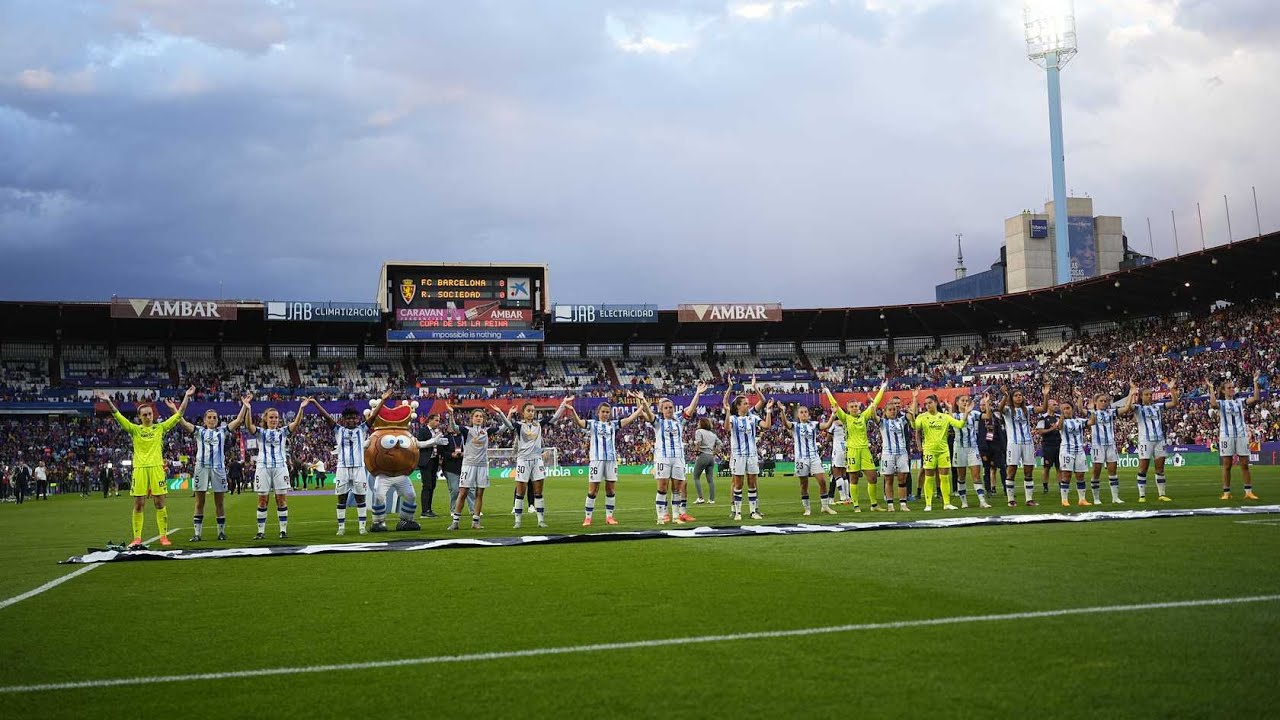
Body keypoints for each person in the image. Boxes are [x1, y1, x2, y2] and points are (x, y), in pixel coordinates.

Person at [97, 387, 194, 549]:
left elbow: (179, 415)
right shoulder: (134, 430)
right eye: (144, 415)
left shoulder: (159, 428)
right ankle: (137, 538)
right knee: (139, 504)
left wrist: (186, 396)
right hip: (140, 469)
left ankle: (163, 536)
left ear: (153, 415)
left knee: (159, 503)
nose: (148, 416)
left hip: (156, 468)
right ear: (139, 417)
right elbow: (118, 416)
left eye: (150, 414)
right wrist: (108, 401)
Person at [311, 390, 391, 536]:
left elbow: (373, 416)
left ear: (357, 419)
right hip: (342, 468)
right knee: (341, 498)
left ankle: (362, 528)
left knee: (360, 498)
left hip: (359, 468)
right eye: (348, 418)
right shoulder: (338, 430)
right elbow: (326, 416)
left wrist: (383, 400)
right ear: (344, 419)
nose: (351, 420)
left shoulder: (362, 429)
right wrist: (315, 403)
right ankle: (341, 528)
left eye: (353, 418)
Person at [165, 401, 247, 542]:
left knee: (219, 502)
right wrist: (174, 409)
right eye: (209, 417)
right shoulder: (199, 431)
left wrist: (245, 405)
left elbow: (239, 420)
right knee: (199, 502)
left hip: (218, 469)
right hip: (201, 468)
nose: (212, 420)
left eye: (214, 417)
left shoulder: (223, 431)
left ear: (217, 419)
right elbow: (183, 423)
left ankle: (221, 533)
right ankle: (197, 534)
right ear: (204, 420)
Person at [563, 393, 648, 526]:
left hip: (611, 460)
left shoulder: (613, 425)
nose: (605, 414)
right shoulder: (592, 424)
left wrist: (641, 407)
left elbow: (630, 418)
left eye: (607, 412)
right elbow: (579, 423)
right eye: (603, 411)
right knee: (593, 490)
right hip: (596, 460)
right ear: (598, 412)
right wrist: (573, 411)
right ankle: (588, 518)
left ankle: (609, 517)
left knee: (611, 490)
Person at [242, 395, 309, 540]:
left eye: (276, 418)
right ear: (266, 419)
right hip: (263, 467)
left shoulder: (283, 432)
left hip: (280, 467)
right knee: (262, 500)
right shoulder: (260, 432)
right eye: (271, 417)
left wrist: (301, 408)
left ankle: (283, 531)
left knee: (281, 499)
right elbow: (248, 426)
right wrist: (248, 409)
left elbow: (296, 423)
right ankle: (260, 532)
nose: (274, 420)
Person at [642, 383, 708, 525]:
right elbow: (648, 413)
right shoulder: (658, 422)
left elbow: (691, 408)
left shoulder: (679, 419)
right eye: (665, 408)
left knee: (677, 488)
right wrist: (643, 402)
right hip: (662, 458)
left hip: (678, 457)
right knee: (662, 487)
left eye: (670, 407)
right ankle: (661, 516)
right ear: (661, 410)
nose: (669, 410)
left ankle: (676, 516)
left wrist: (698, 393)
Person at [502, 398, 572, 529]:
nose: (531, 413)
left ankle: (540, 520)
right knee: (520, 492)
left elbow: (555, 417)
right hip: (523, 461)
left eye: (533, 411)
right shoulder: (519, 426)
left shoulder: (539, 424)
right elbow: (507, 424)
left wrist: (563, 404)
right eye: (528, 410)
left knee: (538, 492)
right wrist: (502, 413)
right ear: (523, 413)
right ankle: (517, 521)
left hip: (537, 461)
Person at [823, 381, 887, 510]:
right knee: (853, 478)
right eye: (851, 406)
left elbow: (875, 404)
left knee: (873, 476)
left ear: (859, 407)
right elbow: (834, 404)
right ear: (848, 408)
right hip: (852, 450)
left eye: (856, 406)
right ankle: (856, 505)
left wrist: (883, 388)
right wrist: (828, 391)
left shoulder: (864, 416)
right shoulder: (845, 418)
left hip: (864, 450)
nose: (854, 408)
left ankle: (874, 504)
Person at [445, 403, 508, 531]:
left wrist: (500, 412)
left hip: (482, 466)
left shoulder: (487, 431)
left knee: (479, 494)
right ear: (472, 418)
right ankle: (455, 522)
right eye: (476, 416)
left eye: (481, 416)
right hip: (468, 465)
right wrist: (451, 413)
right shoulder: (466, 430)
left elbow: (505, 427)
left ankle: (475, 522)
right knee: (463, 493)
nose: (479, 418)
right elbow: (453, 427)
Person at [722, 376, 773, 522]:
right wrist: (730, 388)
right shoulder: (733, 418)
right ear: (738, 406)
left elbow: (767, 426)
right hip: (738, 454)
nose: (747, 405)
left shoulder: (752, 417)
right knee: (737, 483)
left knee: (752, 482)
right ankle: (736, 511)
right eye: (745, 403)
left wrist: (768, 411)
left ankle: (753, 511)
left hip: (752, 454)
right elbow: (726, 428)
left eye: (748, 403)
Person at [1119, 378, 1179, 502]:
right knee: (1143, 468)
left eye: (1150, 394)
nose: (1149, 396)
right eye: (1146, 394)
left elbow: (1174, 403)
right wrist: (1131, 392)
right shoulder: (1138, 408)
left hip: (1159, 440)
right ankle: (1142, 496)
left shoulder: (1157, 406)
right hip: (1145, 441)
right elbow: (1128, 407)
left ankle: (1161, 494)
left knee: (1160, 468)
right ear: (1141, 396)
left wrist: (1171, 389)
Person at [778, 401, 839, 517]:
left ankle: (825, 506)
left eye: (806, 412)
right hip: (801, 459)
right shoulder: (795, 426)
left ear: (808, 414)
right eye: (801, 412)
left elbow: (826, 426)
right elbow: (785, 424)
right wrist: (782, 411)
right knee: (803, 484)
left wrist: (833, 414)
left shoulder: (814, 424)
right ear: (798, 415)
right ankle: (807, 508)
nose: (804, 414)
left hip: (814, 457)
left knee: (822, 481)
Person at [1208, 375, 1263, 501]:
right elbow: (1213, 403)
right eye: (1229, 388)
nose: (1232, 389)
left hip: (1241, 435)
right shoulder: (1221, 403)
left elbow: (1255, 398)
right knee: (1227, 465)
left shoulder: (1240, 401)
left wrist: (1255, 382)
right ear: (1223, 391)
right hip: (1226, 436)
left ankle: (1248, 491)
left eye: (1233, 387)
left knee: (1244, 464)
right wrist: (1211, 388)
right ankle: (1226, 492)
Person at [997, 382, 1047, 507]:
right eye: (1016, 395)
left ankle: (1029, 499)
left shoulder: (1027, 409)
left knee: (1028, 471)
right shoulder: (1008, 410)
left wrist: (1045, 395)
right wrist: (1005, 396)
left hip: (1028, 443)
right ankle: (1010, 500)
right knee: (1012, 470)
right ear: (1012, 398)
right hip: (1013, 443)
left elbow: (1043, 408)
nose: (1019, 397)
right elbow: (999, 409)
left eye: (1020, 395)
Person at [1044, 394, 1091, 507]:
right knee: (1066, 475)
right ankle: (1064, 500)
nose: (1066, 410)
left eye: (1068, 408)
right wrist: (1061, 416)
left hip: (1079, 451)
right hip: (1066, 451)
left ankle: (1082, 500)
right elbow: (1059, 427)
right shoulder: (1061, 421)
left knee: (1080, 475)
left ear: (1072, 409)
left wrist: (1092, 410)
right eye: (1064, 409)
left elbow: (1091, 422)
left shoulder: (1079, 421)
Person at [951, 395, 990, 509]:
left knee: (976, 475)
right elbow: (958, 425)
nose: (965, 402)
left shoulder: (974, 414)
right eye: (962, 400)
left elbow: (988, 416)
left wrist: (986, 403)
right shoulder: (954, 416)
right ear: (957, 403)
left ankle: (982, 501)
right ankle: (964, 502)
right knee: (961, 476)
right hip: (959, 448)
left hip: (973, 447)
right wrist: (966, 413)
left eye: (967, 400)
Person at [879, 393, 916, 512]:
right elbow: (872, 414)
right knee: (889, 479)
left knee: (902, 479)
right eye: (890, 409)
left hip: (902, 453)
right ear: (885, 411)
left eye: (894, 409)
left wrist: (914, 398)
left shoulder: (901, 420)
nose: (893, 411)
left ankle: (903, 504)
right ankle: (890, 505)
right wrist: (873, 405)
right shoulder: (882, 423)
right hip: (888, 454)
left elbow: (911, 414)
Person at [1086, 391, 1123, 504]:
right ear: (1096, 403)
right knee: (1096, 471)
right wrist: (1080, 398)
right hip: (1098, 445)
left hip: (1111, 444)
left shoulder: (1111, 413)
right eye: (1101, 401)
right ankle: (1096, 499)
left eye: (1105, 401)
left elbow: (1125, 409)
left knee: (1113, 471)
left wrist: (1131, 393)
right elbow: (1079, 408)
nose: (1103, 403)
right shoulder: (1092, 413)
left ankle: (1115, 498)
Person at [414, 414, 444, 518]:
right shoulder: (423, 431)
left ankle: (429, 509)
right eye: (436, 420)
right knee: (427, 486)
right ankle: (424, 510)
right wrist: (434, 440)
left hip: (434, 461)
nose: (438, 422)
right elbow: (420, 444)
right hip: (426, 461)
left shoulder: (436, 432)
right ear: (430, 420)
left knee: (432, 486)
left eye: (439, 420)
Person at [976, 395, 1006, 496]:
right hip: (985, 447)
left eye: (984, 404)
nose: (982, 407)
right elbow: (979, 435)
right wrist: (982, 450)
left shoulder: (996, 416)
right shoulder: (978, 417)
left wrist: (1003, 446)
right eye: (980, 405)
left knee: (1002, 468)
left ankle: (1006, 489)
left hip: (996, 446)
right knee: (986, 469)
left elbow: (1000, 432)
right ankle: (988, 490)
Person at [691, 418, 720, 504]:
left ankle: (700, 498)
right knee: (710, 479)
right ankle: (712, 499)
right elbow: (720, 444)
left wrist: (696, 452)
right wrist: (715, 452)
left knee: (696, 477)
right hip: (711, 457)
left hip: (703, 455)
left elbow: (698, 443)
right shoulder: (712, 434)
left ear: (702, 424)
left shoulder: (699, 431)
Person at [1038, 398, 1062, 494]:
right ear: (1048, 406)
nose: (1056, 406)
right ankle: (1045, 487)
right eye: (1054, 404)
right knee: (1046, 467)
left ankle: (1061, 486)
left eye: (1056, 404)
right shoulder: (1042, 417)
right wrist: (1052, 429)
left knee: (1059, 467)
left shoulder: (1059, 417)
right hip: (1048, 445)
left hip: (1059, 444)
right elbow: (1040, 431)